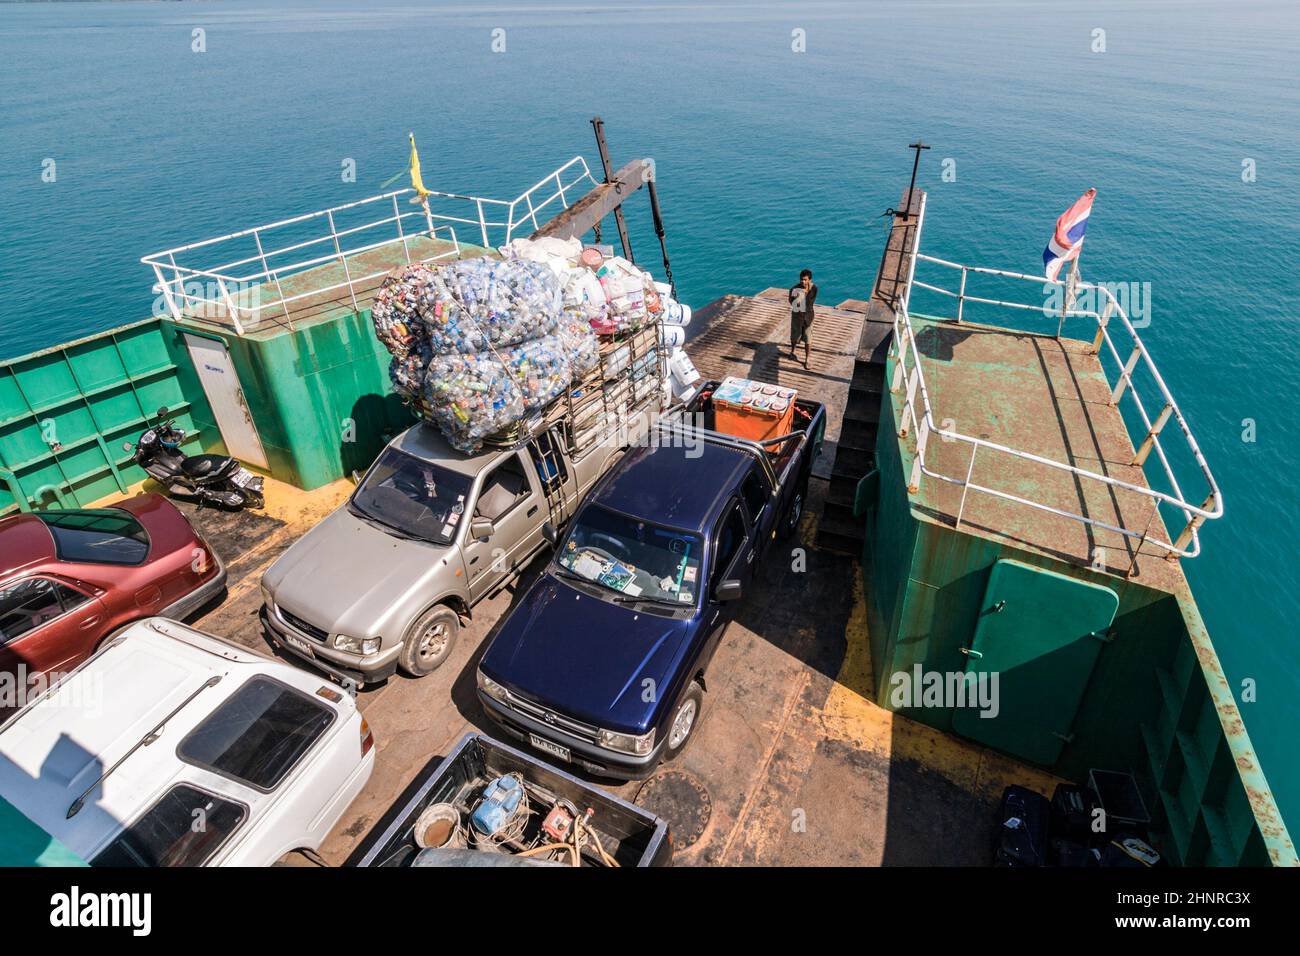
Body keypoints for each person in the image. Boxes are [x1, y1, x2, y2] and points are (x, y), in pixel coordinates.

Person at [788, 269, 817, 365]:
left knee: (808, 339)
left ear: (810, 280)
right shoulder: (794, 289)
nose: (803, 281)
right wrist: (797, 302)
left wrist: (805, 293)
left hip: (808, 317)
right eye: (801, 279)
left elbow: (810, 302)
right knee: (794, 336)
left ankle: (807, 359)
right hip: (797, 316)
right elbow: (791, 301)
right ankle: (792, 351)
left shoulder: (814, 288)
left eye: (805, 280)